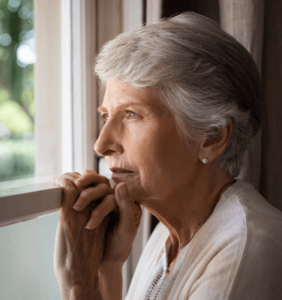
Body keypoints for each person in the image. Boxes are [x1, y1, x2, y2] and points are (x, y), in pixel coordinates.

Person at [52, 12, 282, 300]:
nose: (102, 145)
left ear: (212, 137)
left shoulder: (248, 249)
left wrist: (79, 286)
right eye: (106, 116)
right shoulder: (166, 234)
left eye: (132, 115)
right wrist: (106, 270)